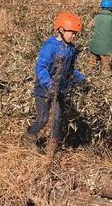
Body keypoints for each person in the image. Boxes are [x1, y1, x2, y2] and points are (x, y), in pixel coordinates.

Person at [22, 11, 86, 154]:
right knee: (43, 118)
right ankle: (29, 137)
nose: (74, 36)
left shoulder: (71, 49)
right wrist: (50, 84)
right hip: (44, 90)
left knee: (57, 119)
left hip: (61, 90)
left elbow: (70, 70)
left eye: (76, 33)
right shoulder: (49, 47)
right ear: (61, 30)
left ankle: (52, 150)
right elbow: (41, 67)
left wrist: (81, 80)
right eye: (72, 32)